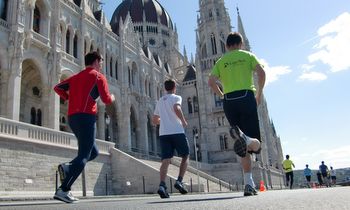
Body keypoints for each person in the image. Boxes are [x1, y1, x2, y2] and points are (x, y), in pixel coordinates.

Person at [208, 32, 265, 196]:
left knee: (243, 149)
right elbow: (261, 73)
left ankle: (248, 184)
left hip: (229, 101)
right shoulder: (247, 55)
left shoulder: (221, 61)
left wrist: (221, 95)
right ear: (240, 44)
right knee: (256, 144)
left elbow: (211, 82)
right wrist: (259, 94)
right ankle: (247, 138)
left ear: (226, 46)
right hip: (246, 97)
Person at [53, 51, 115, 203]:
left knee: (93, 152)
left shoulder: (75, 77)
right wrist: (112, 97)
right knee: (84, 155)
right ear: (95, 61)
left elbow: (58, 88)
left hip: (72, 118)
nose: (101, 65)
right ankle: (64, 190)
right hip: (86, 117)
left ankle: (68, 168)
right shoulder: (98, 76)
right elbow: (106, 100)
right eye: (100, 62)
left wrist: (68, 97)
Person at [152, 79, 190, 199]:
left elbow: (154, 120)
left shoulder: (160, 101)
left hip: (164, 133)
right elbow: (177, 108)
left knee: (165, 160)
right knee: (185, 155)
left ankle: (162, 185)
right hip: (177, 131)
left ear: (165, 88)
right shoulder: (176, 97)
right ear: (174, 88)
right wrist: (183, 121)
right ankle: (179, 181)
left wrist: (163, 121)